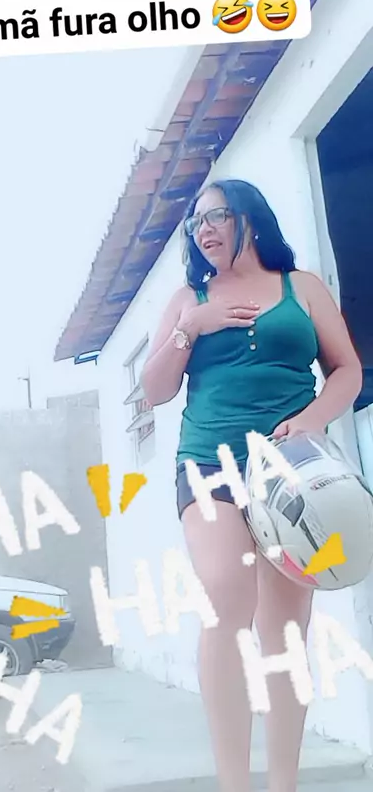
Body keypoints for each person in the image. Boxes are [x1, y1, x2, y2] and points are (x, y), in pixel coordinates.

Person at [141, 179, 362, 792]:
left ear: (249, 216)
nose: (204, 230)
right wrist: (191, 327)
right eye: (196, 223)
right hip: (208, 464)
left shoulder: (302, 288)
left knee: (286, 633)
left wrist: (312, 419)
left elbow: (346, 370)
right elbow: (154, 390)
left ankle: (281, 784)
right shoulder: (189, 298)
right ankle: (234, 783)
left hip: (292, 468)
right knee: (226, 594)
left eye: (216, 216)